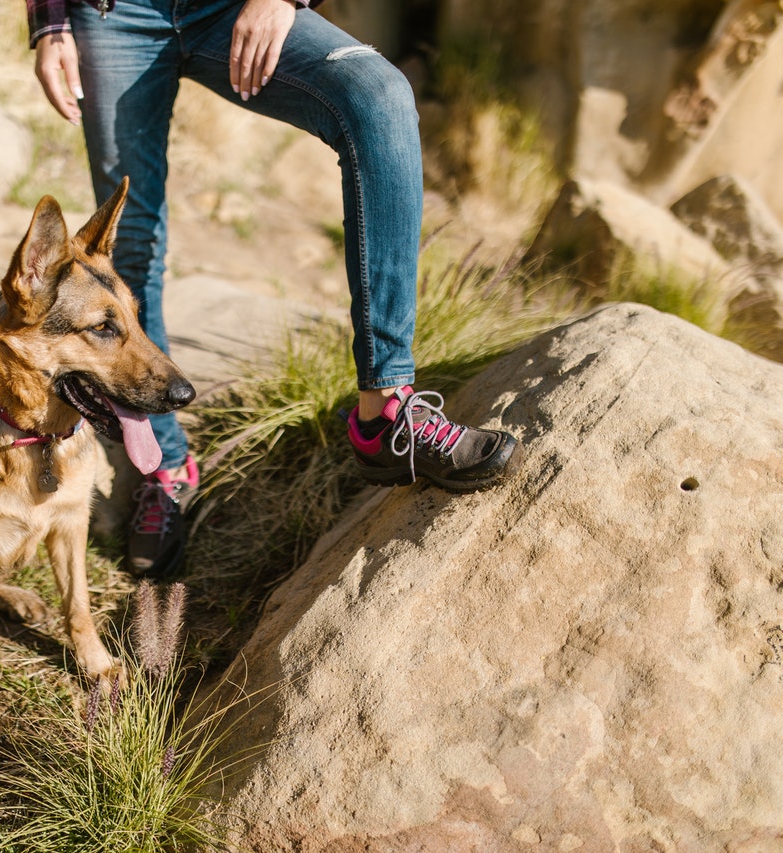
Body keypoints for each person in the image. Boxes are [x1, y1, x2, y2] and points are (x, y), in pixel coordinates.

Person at [26, 0, 523, 577]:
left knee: (378, 97)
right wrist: (52, 20)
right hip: (113, 13)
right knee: (129, 239)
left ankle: (387, 410)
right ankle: (163, 464)